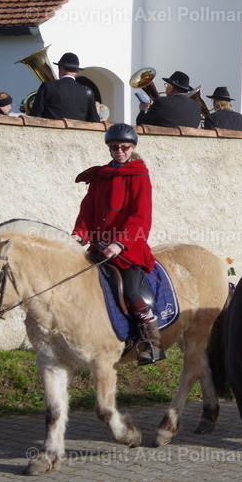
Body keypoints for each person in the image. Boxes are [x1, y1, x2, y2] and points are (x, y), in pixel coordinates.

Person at [72, 123, 165, 365]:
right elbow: (88, 210)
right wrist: (79, 233)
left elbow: (141, 216)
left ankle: (151, 342)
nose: (119, 152)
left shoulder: (139, 176)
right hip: (98, 248)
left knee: (133, 292)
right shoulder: (101, 176)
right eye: (114, 148)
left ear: (132, 148)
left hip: (128, 249)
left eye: (124, 147)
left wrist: (120, 243)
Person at [29, 52, 100, 122]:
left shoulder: (47, 86)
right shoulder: (87, 92)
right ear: (77, 71)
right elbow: (94, 120)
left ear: (59, 68)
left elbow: (34, 117)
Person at [136, 70, 202, 128]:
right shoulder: (197, 106)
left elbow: (141, 124)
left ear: (171, 87)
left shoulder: (161, 102)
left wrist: (143, 110)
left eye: (167, 85)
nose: (166, 87)